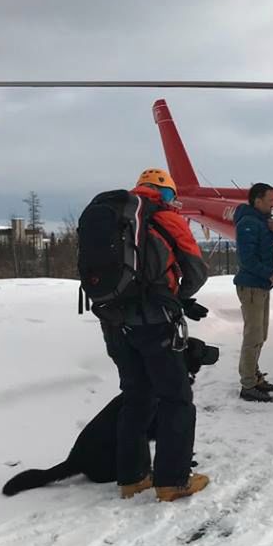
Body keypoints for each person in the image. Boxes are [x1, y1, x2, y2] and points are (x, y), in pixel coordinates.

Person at [98, 168, 210, 502]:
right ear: (162, 192)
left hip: (114, 322)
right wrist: (175, 297)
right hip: (154, 322)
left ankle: (132, 478)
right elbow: (196, 270)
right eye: (172, 195)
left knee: (136, 396)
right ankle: (173, 482)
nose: (174, 201)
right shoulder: (163, 217)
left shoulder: (113, 216)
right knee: (176, 399)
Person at [233, 182, 273, 402]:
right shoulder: (248, 223)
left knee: (261, 334)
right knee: (253, 335)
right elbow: (246, 259)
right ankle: (248, 384)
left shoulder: (263, 222)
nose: (272, 205)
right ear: (257, 201)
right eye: (269, 201)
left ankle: (254, 376)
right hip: (251, 287)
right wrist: (268, 273)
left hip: (261, 287)